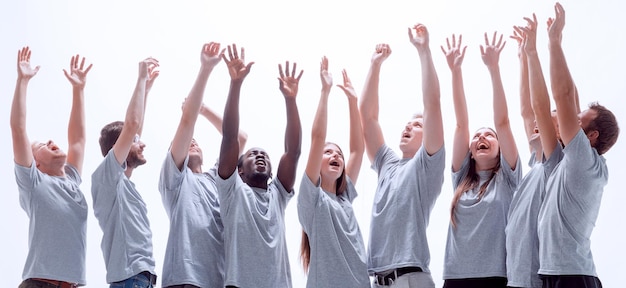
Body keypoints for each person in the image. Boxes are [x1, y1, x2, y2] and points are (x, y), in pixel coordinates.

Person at [537, 3, 619, 288]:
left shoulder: (587, 163)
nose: (570, 116)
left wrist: (554, 42)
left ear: (592, 136)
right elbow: (569, 98)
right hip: (553, 273)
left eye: (578, 118)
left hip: (572, 277)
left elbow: (563, 96)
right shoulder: (567, 162)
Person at [359, 23, 445, 288]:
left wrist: (423, 51)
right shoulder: (387, 164)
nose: (409, 126)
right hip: (378, 280)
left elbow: (432, 105)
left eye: (417, 124)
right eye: (408, 123)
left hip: (411, 280)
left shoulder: (427, 164)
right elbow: (368, 116)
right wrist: (375, 65)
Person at [158, 42, 248, 288]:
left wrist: (205, 110)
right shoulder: (175, 181)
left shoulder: (217, 178)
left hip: (219, 280)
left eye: (196, 142)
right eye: (186, 144)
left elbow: (239, 138)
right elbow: (187, 123)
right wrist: (206, 69)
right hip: (184, 280)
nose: (192, 142)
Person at [216, 44, 302, 288]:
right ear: (239, 170)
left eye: (264, 154)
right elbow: (230, 138)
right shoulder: (232, 191)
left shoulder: (277, 195)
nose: (260, 156)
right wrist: (235, 84)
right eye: (253, 154)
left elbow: (293, 152)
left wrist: (290, 100)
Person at [441, 32, 521, 288]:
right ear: (471, 151)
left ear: (499, 149)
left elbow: (503, 122)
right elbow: (461, 123)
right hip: (455, 278)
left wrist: (494, 69)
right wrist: (455, 71)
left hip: (496, 277)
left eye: (489, 135)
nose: (481, 137)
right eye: (477, 137)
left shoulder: (508, 180)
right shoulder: (460, 179)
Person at [12, 47, 91, 288]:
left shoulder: (72, 179)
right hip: (39, 284)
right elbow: (18, 128)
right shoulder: (33, 182)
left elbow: (77, 140)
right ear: (36, 163)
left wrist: (78, 90)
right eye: (43, 145)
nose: (51, 142)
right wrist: (22, 81)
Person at [505, 14, 569, 288]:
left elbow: (539, 106)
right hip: (516, 280)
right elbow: (526, 110)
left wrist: (535, 51)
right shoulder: (537, 165)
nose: (535, 123)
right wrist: (522, 57)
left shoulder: (557, 163)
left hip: (537, 280)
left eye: (547, 121)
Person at [297, 56, 369, 287]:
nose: (336, 156)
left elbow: (357, 150)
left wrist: (352, 100)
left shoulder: (344, 198)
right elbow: (317, 139)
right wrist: (325, 91)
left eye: (338, 154)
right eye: (328, 153)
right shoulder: (313, 199)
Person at [91, 57, 160, 287]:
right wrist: (140, 79)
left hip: (143, 280)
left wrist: (147, 91)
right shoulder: (106, 178)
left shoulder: (123, 184)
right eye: (135, 141)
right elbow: (131, 126)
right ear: (116, 147)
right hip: (130, 281)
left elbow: (134, 128)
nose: (142, 144)